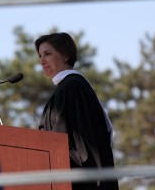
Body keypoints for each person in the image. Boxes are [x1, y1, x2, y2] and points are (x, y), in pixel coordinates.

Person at [35, 32, 119, 190]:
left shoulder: (72, 88)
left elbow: (59, 141)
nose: (42, 61)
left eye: (47, 54)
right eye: (40, 55)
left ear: (65, 55)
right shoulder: (70, 87)